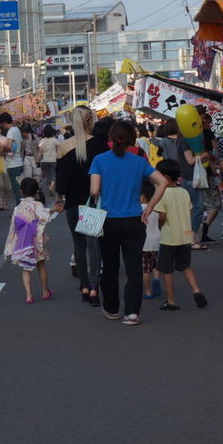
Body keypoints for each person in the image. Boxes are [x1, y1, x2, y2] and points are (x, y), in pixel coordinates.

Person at [89, 118, 170, 325]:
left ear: (110, 138)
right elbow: (162, 182)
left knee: (110, 266)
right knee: (134, 267)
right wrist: (149, 207)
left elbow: (94, 191)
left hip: (108, 220)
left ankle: (112, 308)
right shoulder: (139, 162)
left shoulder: (99, 160)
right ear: (132, 139)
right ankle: (132, 313)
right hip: (134, 219)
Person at [56, 107, 105, 305]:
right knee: (94, 245)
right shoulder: (101, 145)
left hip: (72, 203)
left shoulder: (63, 147)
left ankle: (84, 286)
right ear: (90, 121)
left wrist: (59, 199)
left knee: (79, 245)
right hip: (94, 202)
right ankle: (94, 288)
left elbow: (61, 180)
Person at [153, 159, 207, 311]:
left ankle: (171, 301)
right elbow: (190, 211)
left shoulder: (162, 193)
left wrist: (160, 225)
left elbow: (162, 216)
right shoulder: (183, 192)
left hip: (169, 238)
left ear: (165, 177)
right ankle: (196, 290)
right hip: (185, 236)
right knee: (185, 266)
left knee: (167, 270)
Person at [4, 177, 62, 303]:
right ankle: (45, 292)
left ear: (21, 191)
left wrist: (10, 244)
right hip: (37, 241)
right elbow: (44, 215)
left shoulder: (17, 208)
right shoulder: (37, 204)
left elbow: (13, 228)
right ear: (36, 192)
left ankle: (28, 295)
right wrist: (54, 209)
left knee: (26, 269)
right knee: (41, 265)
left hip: (24, 242)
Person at [140, 181, 162, 300]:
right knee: (155, 265)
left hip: (144, 244)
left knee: (145, 270)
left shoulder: (139, 209)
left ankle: (148, 292)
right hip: (157, 241)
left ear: (143, 196)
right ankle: (156, 279)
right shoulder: (156, 208)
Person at [0, 112, 24, 196]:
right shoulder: (17, 129)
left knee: (16, 189)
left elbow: (9, 147)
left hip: (12, 165)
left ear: (4, 123)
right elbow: (22, 145)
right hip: (19, 162)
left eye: (2, 124)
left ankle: (20, 204)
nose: (3, 127)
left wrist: (2, 149)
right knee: (20, 188)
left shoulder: (10, 132)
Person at [37, 124, 59, 195]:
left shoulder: (42, 140)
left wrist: (37, 160)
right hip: (53, 160)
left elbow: (40, 151)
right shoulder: (55, 140)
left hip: (45, 160)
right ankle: (51, 187)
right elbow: (58, 150)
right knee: (53, 174)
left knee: (48, 175)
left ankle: (49, 187)